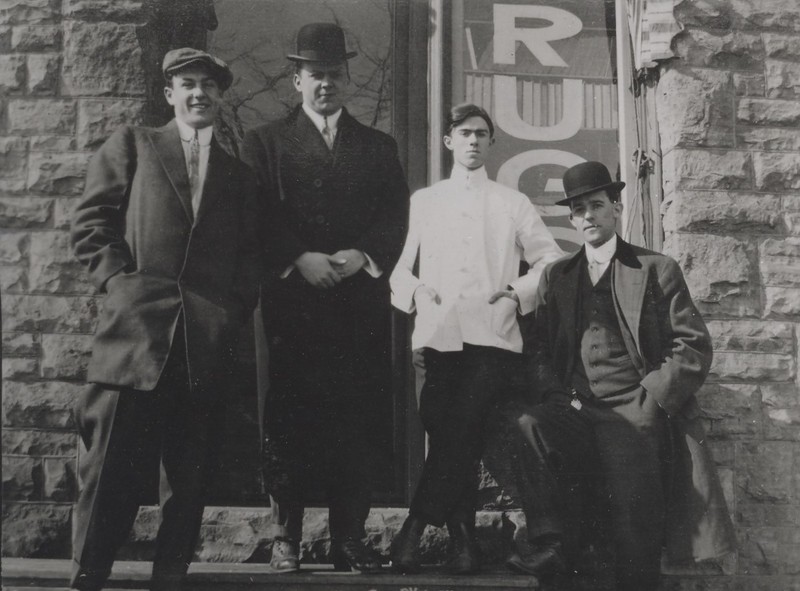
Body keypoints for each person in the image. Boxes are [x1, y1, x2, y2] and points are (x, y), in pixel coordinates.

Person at [68, 48, 261, 591]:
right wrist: (118, 285)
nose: (199, 93)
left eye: (209, 85)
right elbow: (91, 222)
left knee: (190, 471)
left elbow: (252, 255)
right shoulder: (133, 144)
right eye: (188, 84)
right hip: (133, 334)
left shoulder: (240, 175)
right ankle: (89, 573)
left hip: (203, 338)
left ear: (221, 97)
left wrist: (231, 308)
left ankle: (171, 576)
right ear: (170, 93)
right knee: (109, 468)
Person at [505, 161, 736, 589]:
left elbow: (692, 344)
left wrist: (651, 397)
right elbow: (536, 346)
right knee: (529, 425)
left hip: (633, 408)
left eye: (596, 205)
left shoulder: (654, 268)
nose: (588, 216)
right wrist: (555, 393)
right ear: (572, 219)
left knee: (634, 524)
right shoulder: (557, 275)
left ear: (615, 207)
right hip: (575, 405)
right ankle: (550, 541)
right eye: (578, 210)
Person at [242, 23, 409, 573]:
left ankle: (349, 538)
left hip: (356, 305)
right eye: (315, 75)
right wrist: (298, 258)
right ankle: (286, 534)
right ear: (296, 80)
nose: (326, 84)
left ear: (347, 78)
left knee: (354, 419)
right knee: (290, 417)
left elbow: (394, 216)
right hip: (293, 305)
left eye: (335, 74)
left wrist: (363, 254)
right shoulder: (264, 143)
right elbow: (255, 216)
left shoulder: (378, 147)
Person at [388, 104, 563, 574]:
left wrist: (516, 293)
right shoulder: (425, 200)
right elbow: (399, 269)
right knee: (453, 438)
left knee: (457, 431)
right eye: (464, 134)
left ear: (490, 144)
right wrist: (418, 290)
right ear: (448, 141)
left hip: (491, 339)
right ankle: (461, 539)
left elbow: (550, 261)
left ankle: (416, 528)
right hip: (435, 336)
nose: (472, 142)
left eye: (481, 135)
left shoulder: (512, 203)